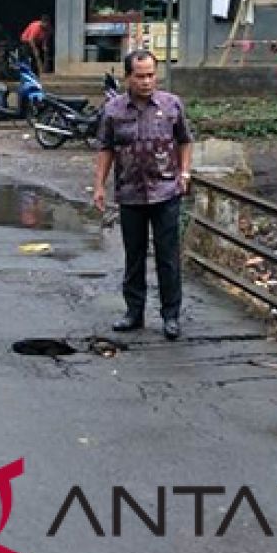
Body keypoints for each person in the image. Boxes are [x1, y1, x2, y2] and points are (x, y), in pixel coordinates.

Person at [93, 49, 194, 341]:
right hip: (130, 193)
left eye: (151, 75)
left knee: (168, 257)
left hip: (166, 192)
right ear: (127, 78)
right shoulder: (113, 111)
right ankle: (133, 313)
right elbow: (105, 149)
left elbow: (185, 141)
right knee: (134, 257)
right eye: (140, 76)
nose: (147, 81)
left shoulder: (172, 105)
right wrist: (99, 186)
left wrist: (184, 173)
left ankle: (170, 315)